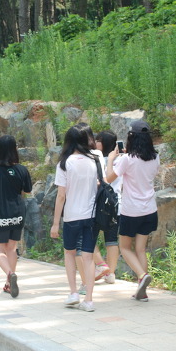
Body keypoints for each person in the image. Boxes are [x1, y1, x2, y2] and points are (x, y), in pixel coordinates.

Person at [106, 120, 159, 302]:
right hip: (149, 209)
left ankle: (142, 276)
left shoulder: (127, 159)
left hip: (131, 211)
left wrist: (111, 160)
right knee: (141, 249)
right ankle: (142, 291)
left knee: (124, 248)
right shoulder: (155, 157)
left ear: (131, 137)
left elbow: (109, 178)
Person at [51, 125, 99, 312]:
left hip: (72, 216)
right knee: (88, 257)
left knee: (70, 253)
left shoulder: (64, 164)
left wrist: (56, 223)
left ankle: (73, 293)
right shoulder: (94, 160)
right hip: (92, 216)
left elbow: (61, 196)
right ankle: (89, 300)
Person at [0, 135, 32, 298]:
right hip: (18, 213)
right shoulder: (22, 169)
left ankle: (10, 274)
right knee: (11, 248)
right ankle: (9, 283)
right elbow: (27, 190)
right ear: (14, 149)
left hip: (0, 214)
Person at [94, 130, 120, 284]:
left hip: (99, 203)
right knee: (111, 239)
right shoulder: (121, 160)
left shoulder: (97, 160)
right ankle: (110, 274)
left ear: (103, 143)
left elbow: (106, 180)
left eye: (98, 140)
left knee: (88, 236)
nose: (95, 142)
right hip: (116, 203)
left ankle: (102, 266)